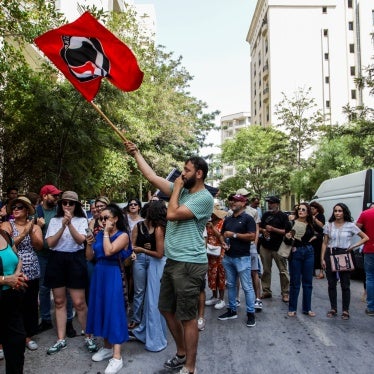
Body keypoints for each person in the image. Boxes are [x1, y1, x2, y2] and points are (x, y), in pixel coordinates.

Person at [124, 140, 213, 374]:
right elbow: (152, 177)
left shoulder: (204, 198)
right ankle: (181, 352)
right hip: (173, 262)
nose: (182, 174)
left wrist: (175, 188)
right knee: (165, 308)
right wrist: (137, 154)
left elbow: (172, 213)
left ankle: (190, 367)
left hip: (190, 263)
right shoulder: (181, 191)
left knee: (187, 316)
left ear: (199, 173)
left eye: (186, 170)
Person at [44, 191, 97, 354]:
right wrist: (62, 225)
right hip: (57, 259)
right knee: (59, 302)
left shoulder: (83, 220)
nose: (67, 205)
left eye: (71, 203)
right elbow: (51, 243)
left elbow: (80, 240)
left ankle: (88, 336)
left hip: (75, 259)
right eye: (64, 202)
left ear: (76, 205)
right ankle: (61, 339)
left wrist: (70, 224)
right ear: (60, 204)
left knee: (79, 302)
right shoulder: (54, 220)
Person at [86, 203, 132, 374]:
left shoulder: (123, 235)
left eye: (106, 218)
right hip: (99, 273)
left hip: (113, 274)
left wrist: (105, 233)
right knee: (101, 309)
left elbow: (109, 251)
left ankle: (117, 356)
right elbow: (90, 257)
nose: (103, 220)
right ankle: (106, 347)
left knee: (113, 311)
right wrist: (89, 244)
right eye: (101, 218)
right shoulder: (99, 235)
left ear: (116, 219)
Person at [2, 196, 43, 351]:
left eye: (20, 207)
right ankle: (6, 338)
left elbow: (39, 246)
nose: (16, 210)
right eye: (14, 207)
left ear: (27, 210)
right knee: (12, 304)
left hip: (31, 269)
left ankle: (27, 336)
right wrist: (23, 233)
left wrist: (31, 230)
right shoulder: (7, 224)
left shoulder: (34, 226)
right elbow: (7, 246)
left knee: (30, 304)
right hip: (12, 270)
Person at [35, 184, 76, 338]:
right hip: (43, 255)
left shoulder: (60, 210)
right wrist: (36, 226)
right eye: (54, 195)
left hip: (60, 254)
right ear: (45, 196)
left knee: (67, 290)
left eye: (58, 195)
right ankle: (46, 319)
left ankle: (69, 321)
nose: (57, 198)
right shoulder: (37, 212)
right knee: (44, 289)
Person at [130, 200, 168, 352]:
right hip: (156, 265)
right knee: (150, 301)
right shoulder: (163, 226)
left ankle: (155, 339)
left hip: (158, 265)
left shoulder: (158, 228)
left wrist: (142, 250)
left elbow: (159, 254)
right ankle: (146, 332)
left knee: (153, 303)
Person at [321, 203, 369, 320]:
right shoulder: (329, 225)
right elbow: (325, 242)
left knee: (345, 284)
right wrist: (322, 258)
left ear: (344, 212)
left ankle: (345, 310)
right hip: (330, 253)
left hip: (344, 254)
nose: (337, 213)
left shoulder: (350, 226)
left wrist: (353, 246)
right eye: (336, 211)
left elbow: (365, 237)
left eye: (340, 211)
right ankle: (333, 308)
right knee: (331, 283)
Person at [217, 194, 257, 327]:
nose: (232, 202)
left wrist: (234, 235)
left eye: (236, 201)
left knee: (247, 287)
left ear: (243, 203)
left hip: (242, 258)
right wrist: (223, 243)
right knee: (231, 285)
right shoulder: (228, 219)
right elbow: (222, 235)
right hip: (228, 257)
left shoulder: (248, 218)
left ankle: (251, 314)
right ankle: (232, 310)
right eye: (231, 200)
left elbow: (252, 236)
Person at [0, 228, 28, 373]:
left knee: (16, 343)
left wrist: (17, 275)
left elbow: (17, 258)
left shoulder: (4, 234)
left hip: (11, 299)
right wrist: (5, 280)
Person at [284, 203, 317, 317]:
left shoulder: (311, 224)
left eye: (303, 209)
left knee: (308, 282)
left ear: (308, 212)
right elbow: (286, 240)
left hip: (308, 251)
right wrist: (289, 239)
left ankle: (307, 308)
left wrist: (315, 237)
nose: (301, 211)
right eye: (299, 209)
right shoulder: (291, 223)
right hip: (296, 252)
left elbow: (321, 233)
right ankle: (292, 308)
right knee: (295, 282)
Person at [259, 196, 290, 302]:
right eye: (268, 203)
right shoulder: (266, 215)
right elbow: (259, 227)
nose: (269, 204)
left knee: (283, 271)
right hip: (265, 246)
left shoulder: (283, 216)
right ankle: (266, 291)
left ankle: (285, 293)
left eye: (272, 203)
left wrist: (273, 229)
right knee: (266, 270)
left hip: (279, 247)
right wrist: (263, 230)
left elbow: (287, 232)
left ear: (277, 204)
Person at [205, 209, 227, 310]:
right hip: (210, 253)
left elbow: (221, 236)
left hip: (220, 253)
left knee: (221, 275)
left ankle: (222, 299)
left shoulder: (222, 222)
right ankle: (214, 296)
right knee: (212, 275)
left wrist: (212, 227)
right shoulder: (208, 223)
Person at [355, 203, 374, 316]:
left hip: (370, 248)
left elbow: (356, 228)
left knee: (370, 277)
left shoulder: (365, 213)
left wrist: (365, 237)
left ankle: (371, 307)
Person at [309, 201, 326, 279]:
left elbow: (322, 226)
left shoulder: (320, 216)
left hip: (319, 237)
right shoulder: (309, 216)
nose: (311, 211)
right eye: (310, 209)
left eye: (312, 209)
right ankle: (312, 271)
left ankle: (321, 272)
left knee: (319, 254)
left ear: (317, 209)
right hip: (311, 237)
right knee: (312, 254)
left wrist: (315, 219)